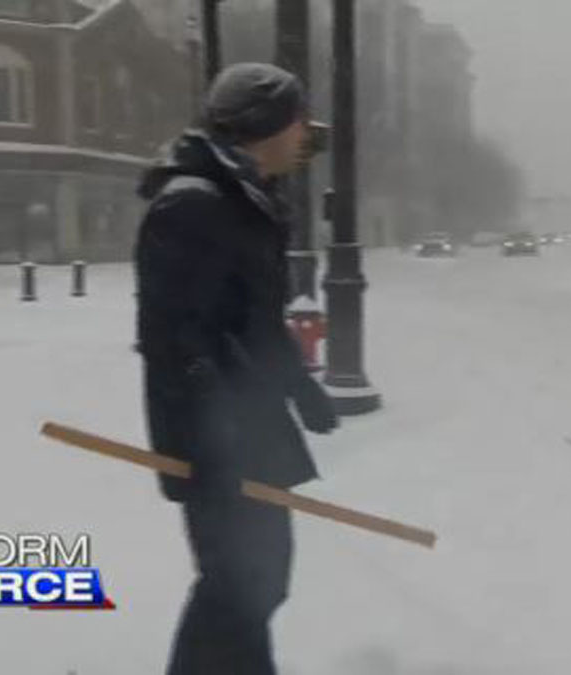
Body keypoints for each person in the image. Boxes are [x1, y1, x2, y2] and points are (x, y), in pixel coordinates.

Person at [134, 63, 340, 675]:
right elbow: (173, 340)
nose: (307, 134)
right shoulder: (194, 205)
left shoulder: (242, 198)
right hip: (216, 436)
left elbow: (251, 320)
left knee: (257, 583)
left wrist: (299, 387)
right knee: (239, 585)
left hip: (247, 423)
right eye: (299, 120)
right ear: (265, 124)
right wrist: (208, 438)